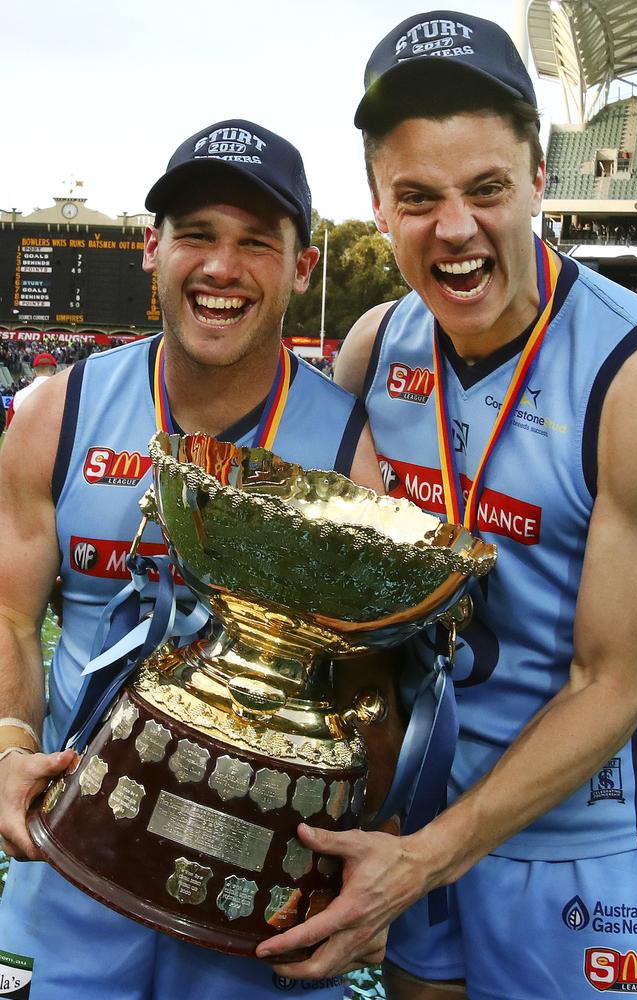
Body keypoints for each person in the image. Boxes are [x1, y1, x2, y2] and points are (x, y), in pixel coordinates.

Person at [255, 12, 637, 999]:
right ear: (377, 207)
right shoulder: (371, 347)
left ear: (534, 179)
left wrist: (428, 854)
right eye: (417, 197)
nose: (456, 228)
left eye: (484, 190)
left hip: (576, 851)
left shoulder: (629, 372)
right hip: (407, 827)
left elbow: (614, 681)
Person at [0, 117, 384, 1000]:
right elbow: (14, 618)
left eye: (256, 241)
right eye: (197, 236)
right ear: (152, 248)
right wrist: (13, 743)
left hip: (255, 907)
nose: (221, 267)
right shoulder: (57, 415)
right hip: (72, 863)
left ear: (302, 268)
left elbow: (376, 695)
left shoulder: (349, 455)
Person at [4, 351, 58, 429]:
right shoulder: (68, 395)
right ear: (55, 372)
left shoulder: (19, 396)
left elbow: (10, 429)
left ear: (33, 372)